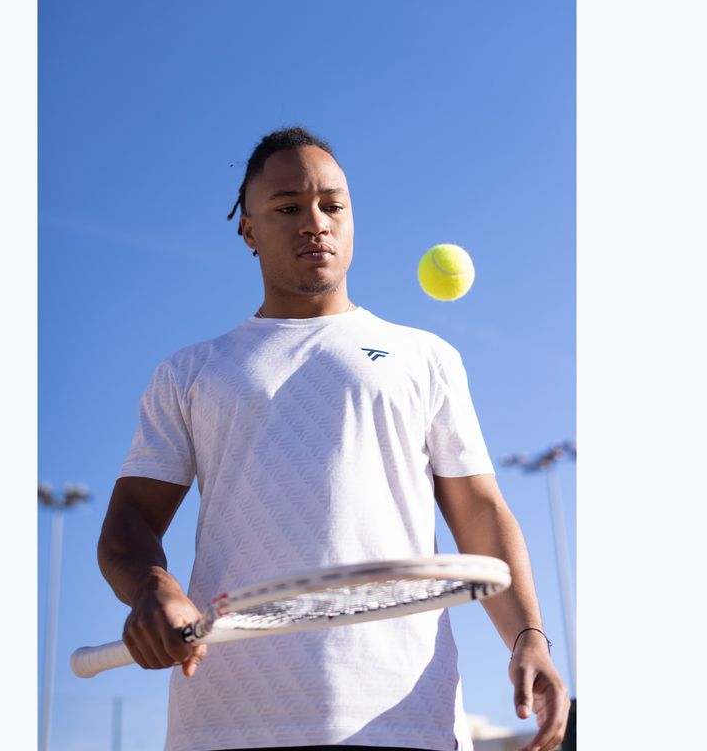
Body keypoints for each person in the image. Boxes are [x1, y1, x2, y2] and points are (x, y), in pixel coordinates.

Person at [98, 126, 570, 751]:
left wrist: (529, 638)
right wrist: (153, 589)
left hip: (405, 717)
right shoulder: (191, 372)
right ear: (248, 230)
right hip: (225, 720)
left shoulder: (425, 356)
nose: (314, 222)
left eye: (331, 205)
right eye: (287, 207)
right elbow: (128, 524)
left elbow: (480, 512)